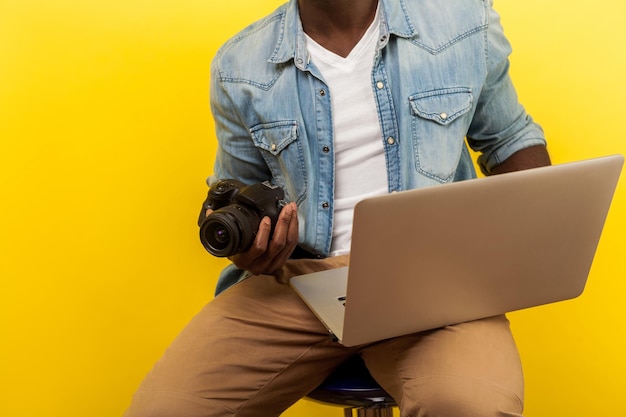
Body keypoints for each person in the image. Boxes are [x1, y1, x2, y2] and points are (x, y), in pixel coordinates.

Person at [125, 0, 551, 415]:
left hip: (437, 278)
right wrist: (251, 246)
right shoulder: (238, 65)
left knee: (471, 407)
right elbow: (238, 192)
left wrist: (519, 239)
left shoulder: (462, 20)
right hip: (297, 281)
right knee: (163, 409)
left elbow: (510, 140)